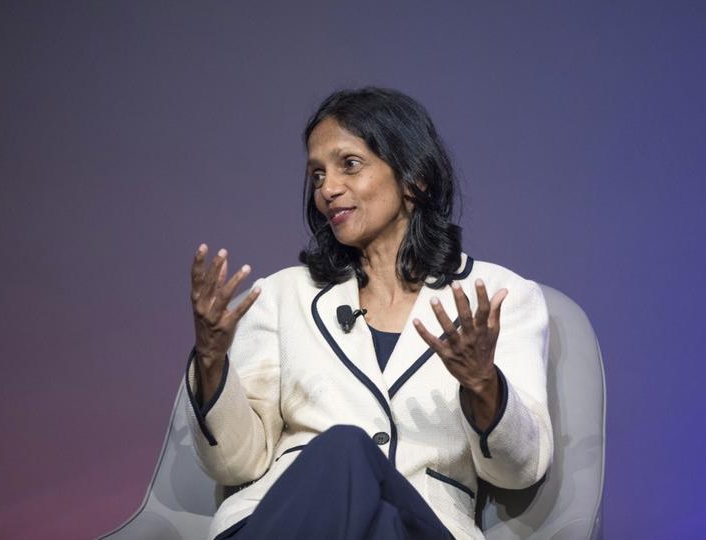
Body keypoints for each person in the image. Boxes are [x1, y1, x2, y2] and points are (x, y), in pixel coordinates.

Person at [185, 87, 553, 540]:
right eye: (317, 174)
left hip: (424, 524)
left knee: (348, 452)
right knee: (345, 458)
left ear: (414, 177)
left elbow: (521, 469)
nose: (328, 189)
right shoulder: (282, 296)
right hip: (287, 521)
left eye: (349, 165)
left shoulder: (497, 297)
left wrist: (483, 383)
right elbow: (236, 462)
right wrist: (211, 361)